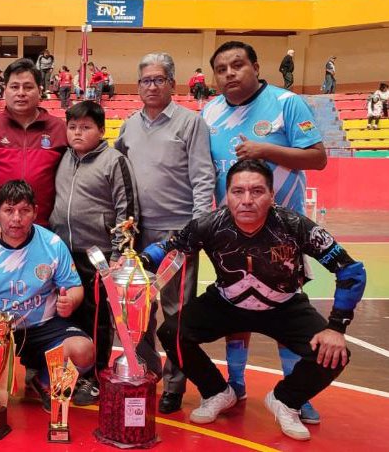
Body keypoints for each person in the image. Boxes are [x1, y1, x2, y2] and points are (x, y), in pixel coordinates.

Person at [150, 159, 365, 441]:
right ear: (226, 196)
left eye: (257, 191)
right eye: (238, 192)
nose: (247, 200)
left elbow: (350, 270)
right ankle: (217, 392)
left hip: (284, 306)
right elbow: (167, 248)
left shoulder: (294, 225)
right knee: (171, 332)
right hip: (227, 303)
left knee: (335, 355)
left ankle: (285, 400)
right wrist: (135, 262)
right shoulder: (208, 224)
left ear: (272, 196)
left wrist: (336, 327)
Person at [203, 40, 327, 422]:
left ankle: (293, 393)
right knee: (236, 303)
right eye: (221, 69)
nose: (229, 74)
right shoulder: (209, 111)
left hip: (282, 231)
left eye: (237, 65)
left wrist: (265, 150)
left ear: (255, 67)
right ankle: (235, 384)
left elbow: (318, 157)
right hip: (231, 231)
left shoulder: (286, 103)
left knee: (286, 308)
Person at [115, 52, 215, 414]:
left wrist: (197, 230)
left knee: (177, 315)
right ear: (138, 86)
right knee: (138, 311)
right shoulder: (128, 125)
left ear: (173, 84)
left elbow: (204, 178)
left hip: (178, 235)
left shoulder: (191, 123)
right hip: (137, 235)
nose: (152, 86)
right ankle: (146, 373)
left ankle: (175, 384)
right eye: (145, 80)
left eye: (159, 80)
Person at [0, 180, 93, 411]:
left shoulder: (52, 243)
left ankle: (43, 380)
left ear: (35, 212)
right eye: (9, 210)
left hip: (42, 326)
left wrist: (70, 301)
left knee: (84, 350)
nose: (16, 219)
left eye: (24, 211)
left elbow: (75, 288)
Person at [50, 101, 139, 406]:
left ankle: (97, 376)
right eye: (73, 127)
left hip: (99, 256)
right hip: (64, 254)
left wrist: (118, 256)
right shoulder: (64, 158)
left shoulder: (115, 161)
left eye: (86, 127)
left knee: (99, 319)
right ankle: (70, 374)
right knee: (67, 317)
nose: (77, 132)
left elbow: (127, 211)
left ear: (101, 130)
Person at [0, 58, 67, 242]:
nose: (21, 93)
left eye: (28, 87)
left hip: (44, 231)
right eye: (14, 87)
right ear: (5, 90)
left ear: (39, 91)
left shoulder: (59, 129)